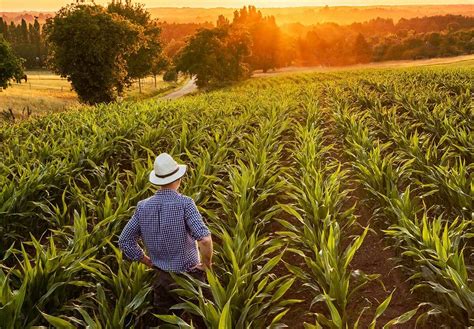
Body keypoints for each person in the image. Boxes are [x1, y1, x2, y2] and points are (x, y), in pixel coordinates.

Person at [118, 152, 213, 318]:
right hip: (188, 277)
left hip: (160, 278)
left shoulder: (142, 207)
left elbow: (125, 241)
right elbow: (204, 239)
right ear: (179, 179)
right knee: (196, 319)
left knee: (165, 319)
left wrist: (147, 261)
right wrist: (206, 265)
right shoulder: (185, 203)